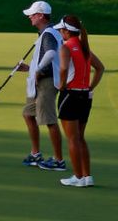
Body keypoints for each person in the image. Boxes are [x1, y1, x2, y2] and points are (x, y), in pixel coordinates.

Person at [16, 0, 67, 171]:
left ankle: (59, 160)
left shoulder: (49, 34)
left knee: (49, 120)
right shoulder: (45, 33)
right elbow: (47, 57)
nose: (30, 17)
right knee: (28, 114)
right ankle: (36, 153)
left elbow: (51, 54)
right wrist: (30, 69)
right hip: (38, 81)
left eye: (32, 14)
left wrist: (37, 70)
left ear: (40, 16)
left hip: (47, 82)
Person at [56, 15, 105, 188]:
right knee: (80, 138)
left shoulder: (66, 47)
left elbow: (63, 68)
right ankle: (87, 176)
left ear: (66, 31)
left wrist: (61, 85)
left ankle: (77, 177)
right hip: (85, 97)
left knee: (72, 139)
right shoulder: (85, 48)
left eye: (61, 30)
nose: (60, 33)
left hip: (70, 96)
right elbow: (100, 68)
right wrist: (90, 87)